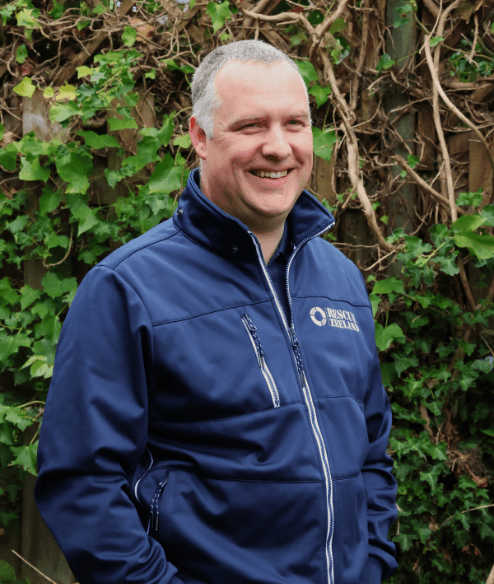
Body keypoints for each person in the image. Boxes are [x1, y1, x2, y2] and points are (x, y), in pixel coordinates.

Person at [35, 40, 398, 584]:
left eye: (295, 124)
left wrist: (372, 564)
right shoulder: (127, 289)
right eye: (251, 126)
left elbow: (371, 453)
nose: (278, 147)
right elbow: (82, 483)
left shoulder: (341, 282)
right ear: (200, 137)